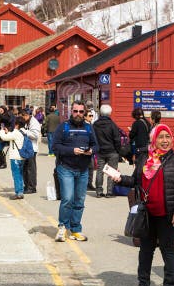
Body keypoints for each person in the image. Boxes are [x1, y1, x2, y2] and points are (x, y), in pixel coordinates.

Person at [111, 123, 174, 286]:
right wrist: (119, 179)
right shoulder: (144, 159)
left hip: (168, 214)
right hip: (147, 213)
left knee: (167, 249)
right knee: (145, 250)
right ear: (153, 140)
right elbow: (135, 181)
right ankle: (143, 283)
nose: (164, 141)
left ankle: (170, 285)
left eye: (167, 137)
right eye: (160, 137)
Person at [52, 102, 97, 242]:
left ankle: (76, 229)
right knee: (67, 199)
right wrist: (72, 151)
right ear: (71, 112)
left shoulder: (89, 128)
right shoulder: (63, 127)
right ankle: (62, 227)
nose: (78, 114)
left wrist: (91, 151)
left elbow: (96, 145)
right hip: (66, 168)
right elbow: (55, 147)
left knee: (79, 200)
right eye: (75, 111)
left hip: (83, 170)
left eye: (81, 112)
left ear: (85, 113)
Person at [93, 104, 122, 198]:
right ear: (110, 113)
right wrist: (119, 151)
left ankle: (98, 191)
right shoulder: (113, 125)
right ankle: (110, 192)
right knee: (112, 172)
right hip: (112, 151)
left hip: (100, 151)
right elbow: (117, 139)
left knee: (99, 171)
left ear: (100, 113)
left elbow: (93, 138)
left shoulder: (95, 125)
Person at [0, 119, 26, 199]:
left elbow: (4, 137)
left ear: (17, 125)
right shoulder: (22, 132)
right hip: (21, 157)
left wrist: (1, 131)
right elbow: (12, 136)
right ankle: (20, 191)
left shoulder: (16, 132)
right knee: (20, 174)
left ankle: (19, 193)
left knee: (16, 175)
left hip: (15, 157)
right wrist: (8, 132)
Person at [21, 108, 41, 194]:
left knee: (30, 169)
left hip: (32, 148)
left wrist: (25, 132)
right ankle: (27, 185)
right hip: (27, 148)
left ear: (28, 115)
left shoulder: (34, 122)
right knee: (25, 168)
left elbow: (35, 135)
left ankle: (32, 187)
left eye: (24, 116)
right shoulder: (27, 122)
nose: (23, 118)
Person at [129, 108, 151, 173]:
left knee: (138, 167)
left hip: (139, 148)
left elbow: (131, 136)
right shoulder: (148, 123)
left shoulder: (136, 123)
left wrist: (131, 131)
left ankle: (139, 181)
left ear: (136, 115)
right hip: (147, 147)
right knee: (145, 166)